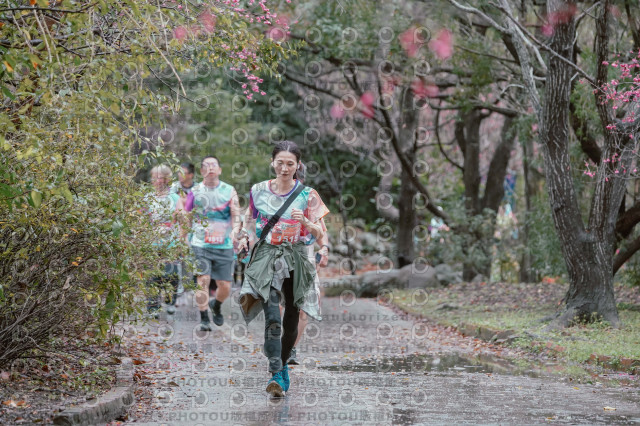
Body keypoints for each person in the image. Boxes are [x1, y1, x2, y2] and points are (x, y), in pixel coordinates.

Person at [239, 141, 329, 397]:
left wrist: (307, 223)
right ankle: (276, 372)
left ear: (298, 165)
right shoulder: (258, 190)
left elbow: (319, 232)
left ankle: (283, 364)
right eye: (280, 162)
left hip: (297, 257)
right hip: (267, 256)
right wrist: (244, 237)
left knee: (292, 313)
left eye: (290, 164)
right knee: (272, 316)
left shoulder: (308, 195)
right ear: (273, 163)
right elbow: (249, 220)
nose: (285, 168)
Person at [178, 156, 244, 331]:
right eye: (206, 166)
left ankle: (216, 305)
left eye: (214, 165)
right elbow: (187, 217)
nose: (211, 168)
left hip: (224, 244)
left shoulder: (229, 190)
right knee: (203, 279)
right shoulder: (195, 191)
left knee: (225, 286)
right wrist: (182, 238)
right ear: (201, 171)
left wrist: (236, 230)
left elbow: (236, 214)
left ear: (220, 170)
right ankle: (204, 319)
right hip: (200, 244)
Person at [284, 162, 330, 366]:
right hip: (278, 254)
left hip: (305, 254)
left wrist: (324, 248)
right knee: (282, 305)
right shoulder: (271, 196)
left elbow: (321, 229)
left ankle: (291, 348)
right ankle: (281, 343)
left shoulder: (310, 197)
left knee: (303, 307)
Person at [144, 165, 181, 318]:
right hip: (151, 242)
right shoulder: (147, 198)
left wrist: (179, 238)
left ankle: (170, 300)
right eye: (153, 177)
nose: (155, 180)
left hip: (171, 243)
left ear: (166, 179)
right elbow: (142, 218)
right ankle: (153, 307)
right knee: (152, 275)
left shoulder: (175, 198)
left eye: (158, 177)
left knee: (170, 274)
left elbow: (181, 219)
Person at [169, 162, 198, 300]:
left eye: (183, 172)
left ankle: (189, 286)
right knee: (176, 255)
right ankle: (176, 286)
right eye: (178, 172)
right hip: (176, 225)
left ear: (191, 175)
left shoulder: (198, 189)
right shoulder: (173, 187)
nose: (180, 175)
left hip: (194, 226)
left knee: (190, 256)